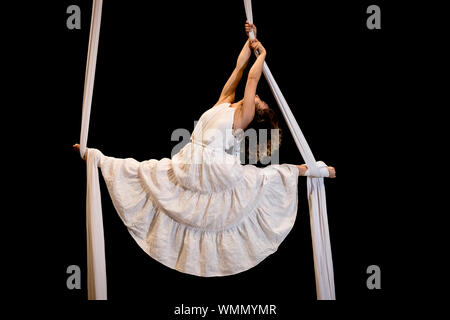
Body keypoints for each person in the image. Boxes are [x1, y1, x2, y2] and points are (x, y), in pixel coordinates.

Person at [72, 21, 335, 277]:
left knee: (263, 178)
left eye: (259, 102)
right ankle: (98, 159)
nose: (257, 96)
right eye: (260, 98)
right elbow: (240, 69)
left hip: (213, 165)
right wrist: (249, 40)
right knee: (151, 172)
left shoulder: (242, 117)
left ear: (254, 112)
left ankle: (311, 170)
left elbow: (253, 76)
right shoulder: (225, 102)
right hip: (191, 159)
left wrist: (263, 54)